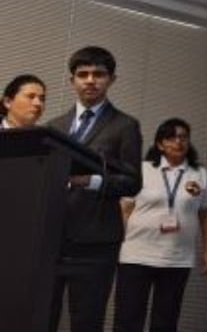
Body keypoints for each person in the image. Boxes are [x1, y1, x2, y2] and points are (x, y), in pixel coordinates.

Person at [47, 46, 142, 332]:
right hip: (51, 238)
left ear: (112, 79)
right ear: (71, 80)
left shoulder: (125, 125)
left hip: (96, 242)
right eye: (83, 74)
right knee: (41, 317)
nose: (90, 80)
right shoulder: (54, 126)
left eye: (98, 74)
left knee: (87, 322)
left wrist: (91, 181)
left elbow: (132, 183)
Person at [114, 118, 207, 332]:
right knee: (127, 319)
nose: (178, 142)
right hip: (136, 255)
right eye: (171, 137)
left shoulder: (200, 174)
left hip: (177, 259)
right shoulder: (142, 169)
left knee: (166, 322)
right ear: (160, 144)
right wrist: (115, 246)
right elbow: (125, 210)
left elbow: (206, 214)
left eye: (183, 137)